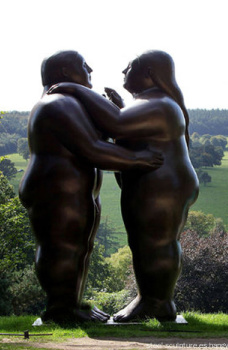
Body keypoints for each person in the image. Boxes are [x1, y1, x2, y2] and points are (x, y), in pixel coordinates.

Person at [48, 50, 199, 322]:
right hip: (153, 185)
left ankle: (156, 302)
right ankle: (151, 299)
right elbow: (122, 122)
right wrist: (117, 105)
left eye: (129, 67)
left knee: (155, 243)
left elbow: (116, 125)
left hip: (161, 187)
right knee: (144, 243)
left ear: (149, 73)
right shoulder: (150, 102)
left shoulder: (160, 103)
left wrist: (76, 89)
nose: (123, 72)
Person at [18, 50, 163, 324]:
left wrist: (118, 107)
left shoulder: (71, 103)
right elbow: (92, 149)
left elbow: (111, 128)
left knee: (79, 248)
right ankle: (60, 307)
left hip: (74, 193)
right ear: (63, 72)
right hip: (55, 192)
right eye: (84, 65)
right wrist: (138, 159)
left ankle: (72, 303)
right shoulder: (57, 104)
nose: (91, 69)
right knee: (60, 248)